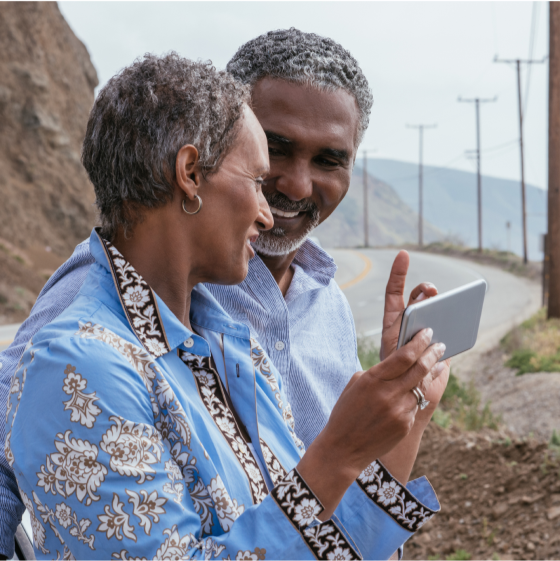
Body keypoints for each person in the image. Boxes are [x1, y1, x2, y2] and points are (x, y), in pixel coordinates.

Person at [0, 29, 450, 559]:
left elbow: (319, 540)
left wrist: (404, 411)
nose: (275, 204)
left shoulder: (230, 343)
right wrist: (338, 452)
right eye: (261, 174)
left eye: (329, 159)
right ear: (190, 174)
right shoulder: (79, 355)